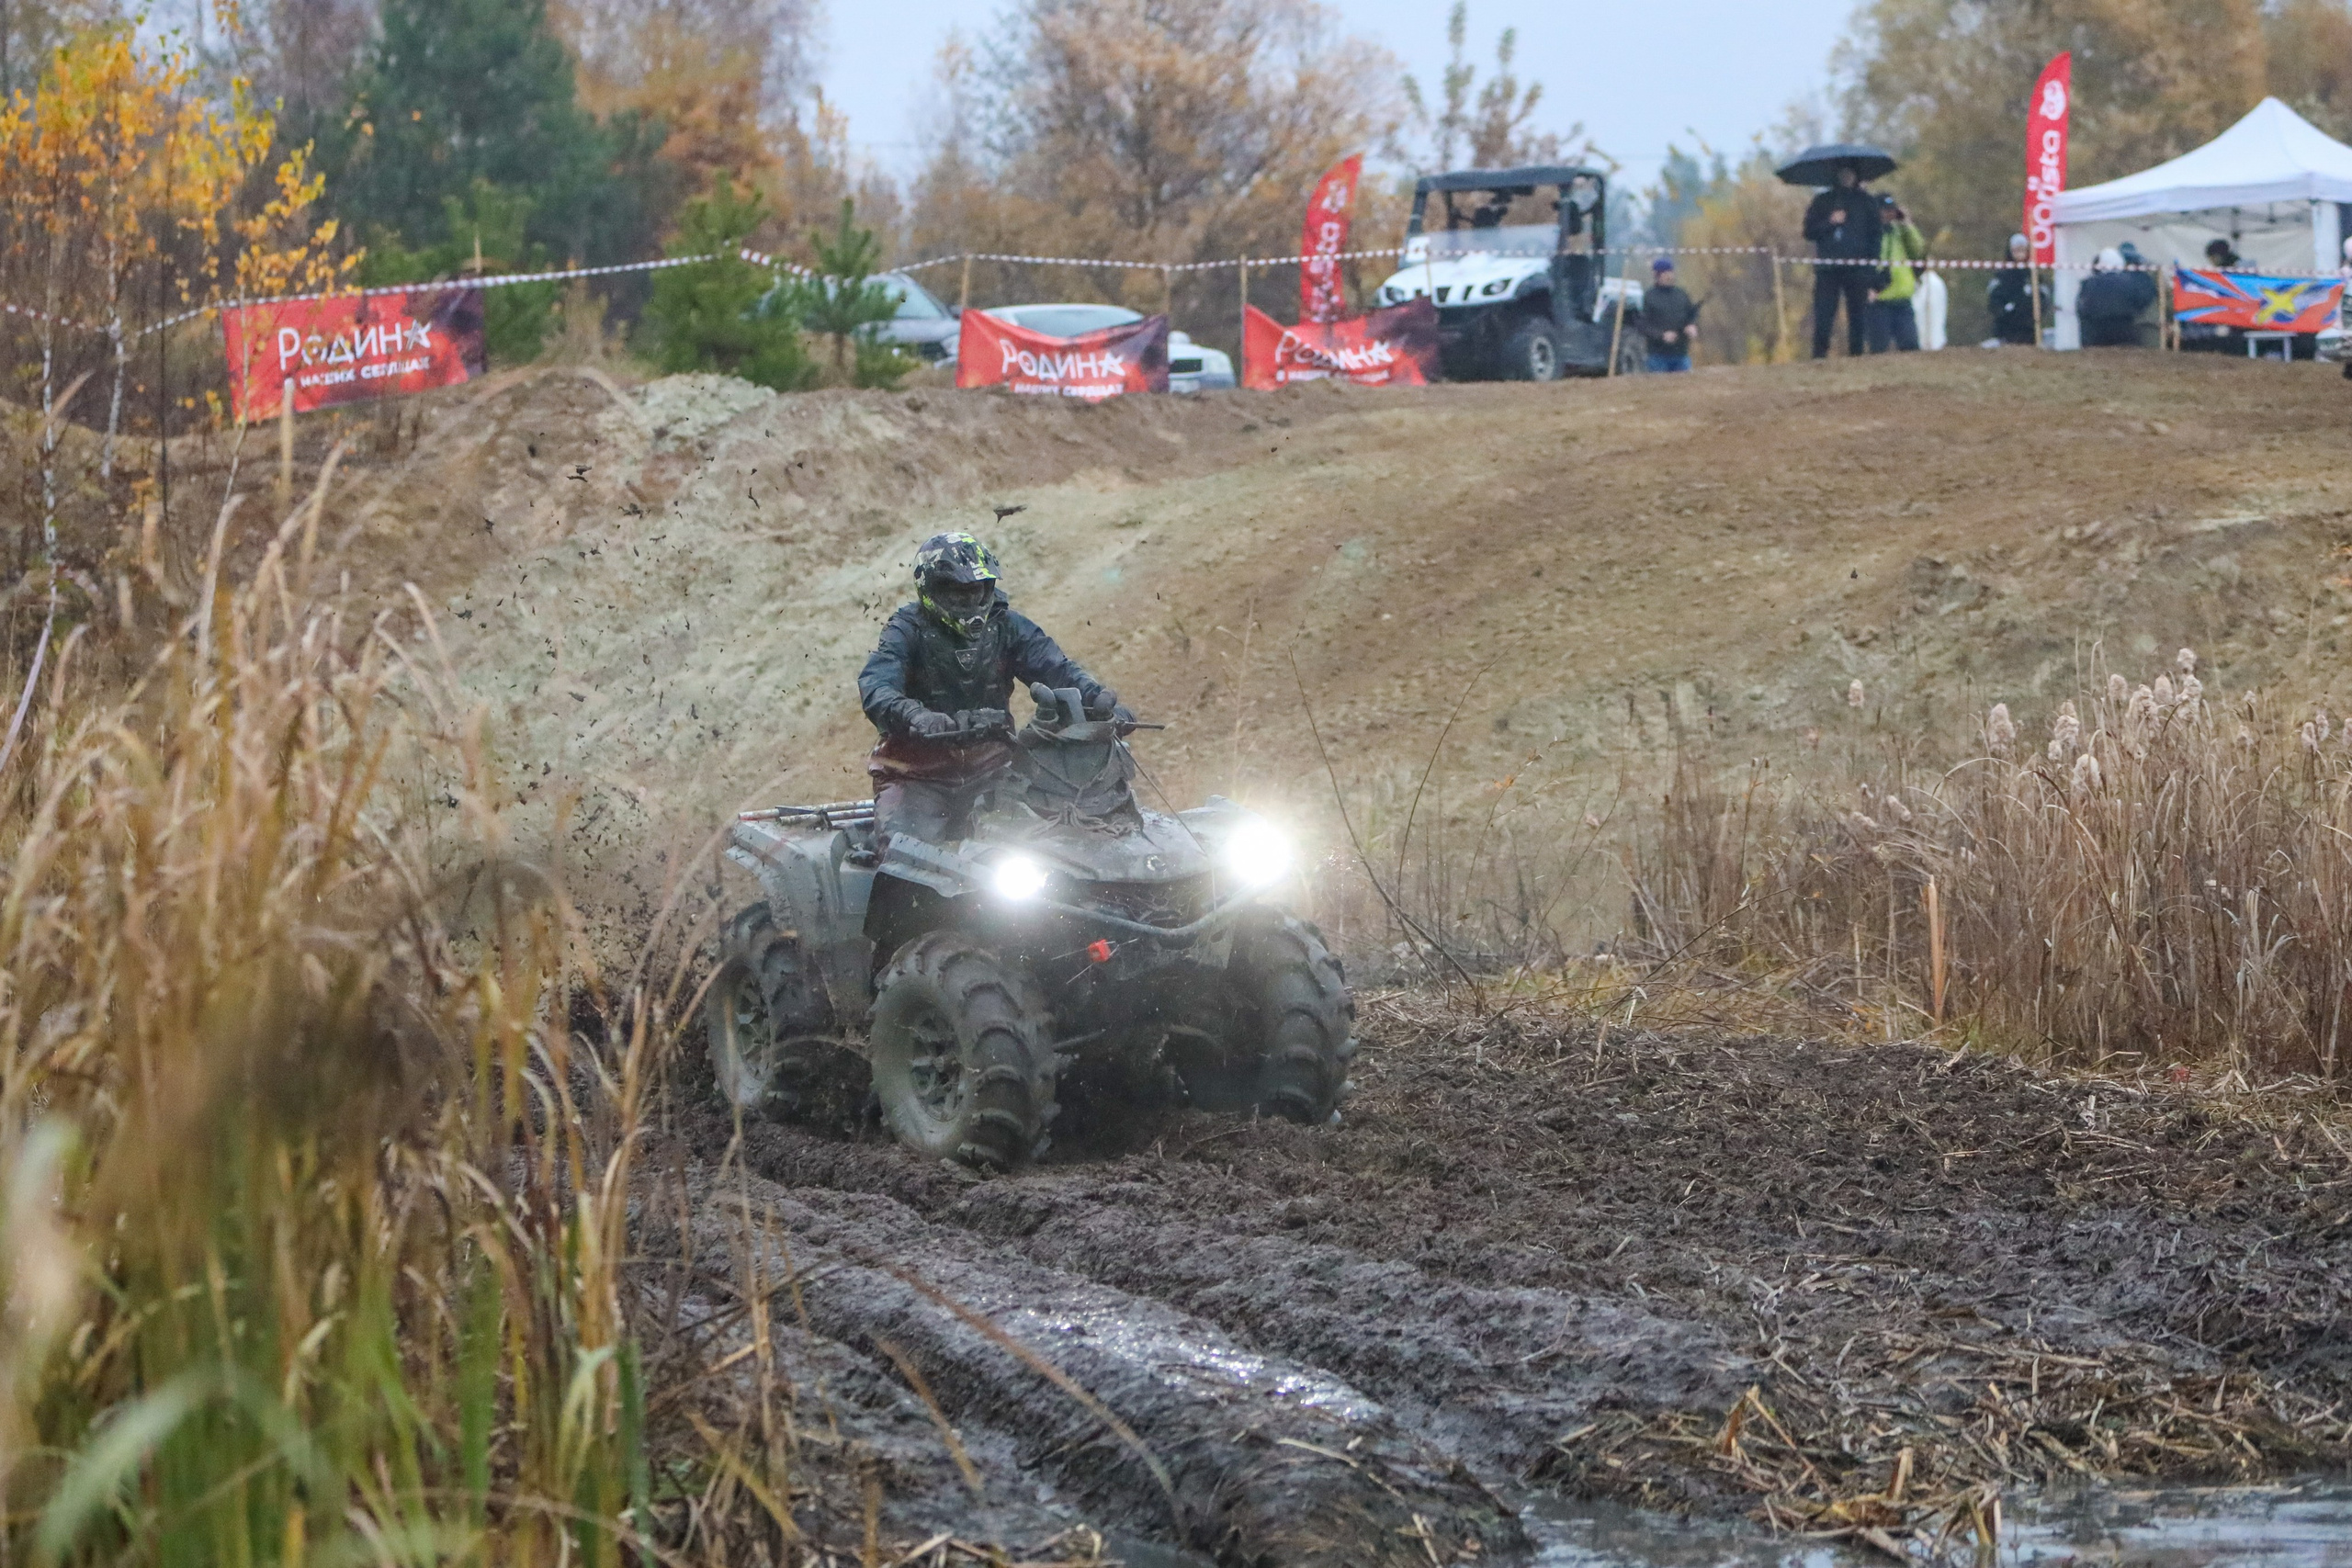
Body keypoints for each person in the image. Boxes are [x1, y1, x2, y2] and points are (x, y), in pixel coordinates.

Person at [857, 532, 1123, 846]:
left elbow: (1057, 668)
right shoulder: (906, 629)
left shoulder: (1008, 626)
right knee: (905, 859)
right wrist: (915, 715)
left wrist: (1098, 699)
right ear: (931, 590)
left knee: (1050, 845)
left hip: (993, 772)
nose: (969, 600)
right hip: (916, 776)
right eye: (956, 593)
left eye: (976, 591)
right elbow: (876, 685)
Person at [1804, 162, 1883, 357]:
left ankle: (1857, 355)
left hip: (1858, 269)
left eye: (1850, 173)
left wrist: (1871, 271)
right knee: (1824, 314)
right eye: (1842, 174)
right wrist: (1830, 222)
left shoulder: (1867, 202)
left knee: (1858, 315)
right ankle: (1819, 356)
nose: (1846, 177)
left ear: (1856, 176)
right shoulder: (1822, 201)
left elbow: (1876, 238)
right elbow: (1809, 231)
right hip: (1828, 269)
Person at [1867, 194, 1926, 352]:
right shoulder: (1870, 233)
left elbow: (1919, 250)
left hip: (1903, 298)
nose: (1889, 215)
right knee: (1879, 349)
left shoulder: (1900, 232)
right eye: (1885, 211)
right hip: (1880, 299)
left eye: (1891, 210)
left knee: (1911, 347)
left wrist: (1907, 224)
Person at [2076, 246, 2157, 347]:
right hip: (2125, 329)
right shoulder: (2130, 282)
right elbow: (2142, 300)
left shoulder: (2089, 283)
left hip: (2096, 332)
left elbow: (2082, 308)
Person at [1639, 256, 1699, 371]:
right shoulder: (1649, 296)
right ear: (1657, 275)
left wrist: (1691, 325)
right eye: (1665, 273)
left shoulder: (1681, 294)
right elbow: (1643, 325)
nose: (1669, 276)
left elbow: (1691, 315)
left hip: (1681, 354)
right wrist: (1662, 336)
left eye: (1670, 272)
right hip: (1657, 357)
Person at [1985, 233, 2039, 345]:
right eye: (2016, 250)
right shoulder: (2002, 275)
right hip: (2005, 329)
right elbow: (1993, 298)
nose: (2019, 254)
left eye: (2022, 250)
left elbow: (2043, 297)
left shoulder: (2032, 274)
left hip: (2028, 329)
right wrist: (2003, 310)